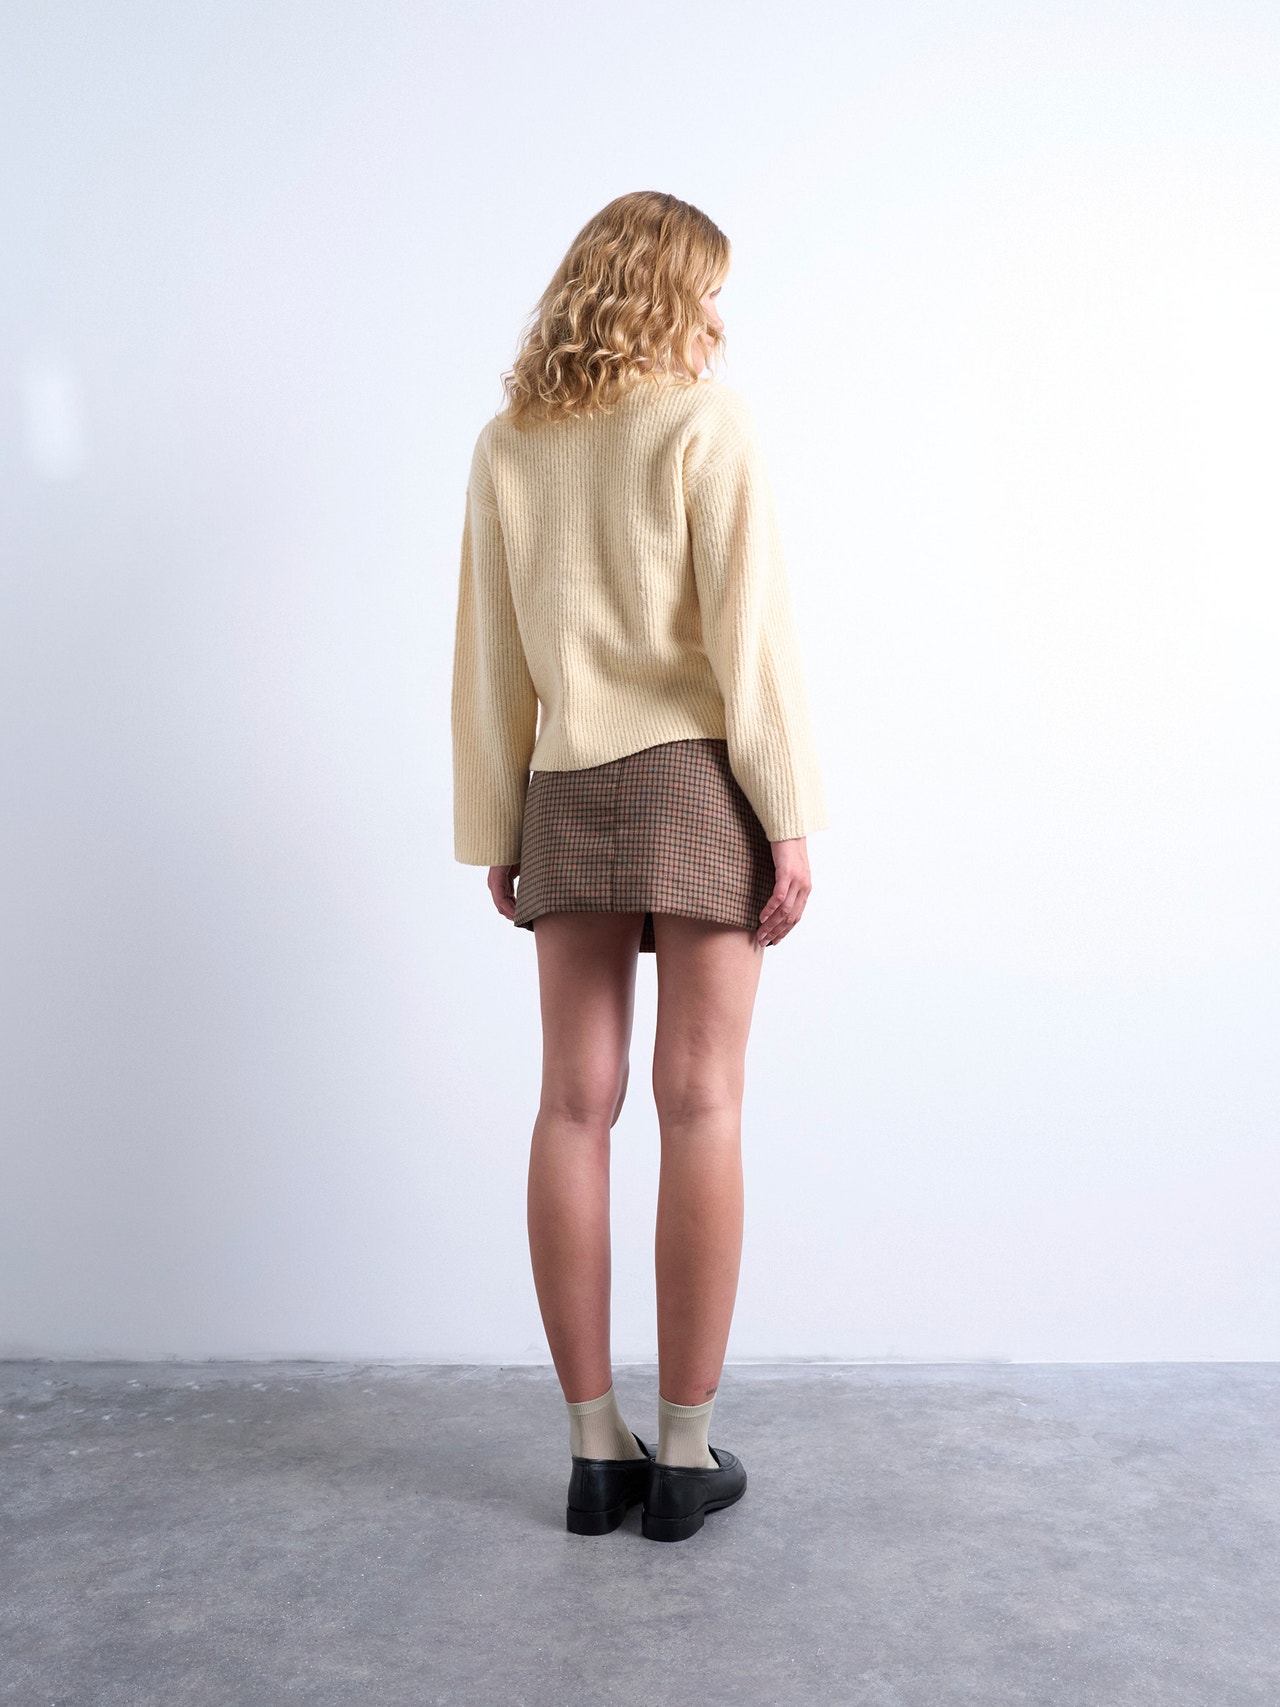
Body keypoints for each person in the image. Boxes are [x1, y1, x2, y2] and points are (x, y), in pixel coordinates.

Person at [450, 190, 828, 1543]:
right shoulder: (704, 424)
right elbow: (751, 644)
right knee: (700, 1103)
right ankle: (682, 1456)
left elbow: (491, 659)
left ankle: (590, 1454)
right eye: (709, 287)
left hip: (565, 790)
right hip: (695, 785)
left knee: (573, 1105)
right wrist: (790, 816)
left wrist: (496, 826)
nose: (720, 314)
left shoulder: (512, 442)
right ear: (668, 290)